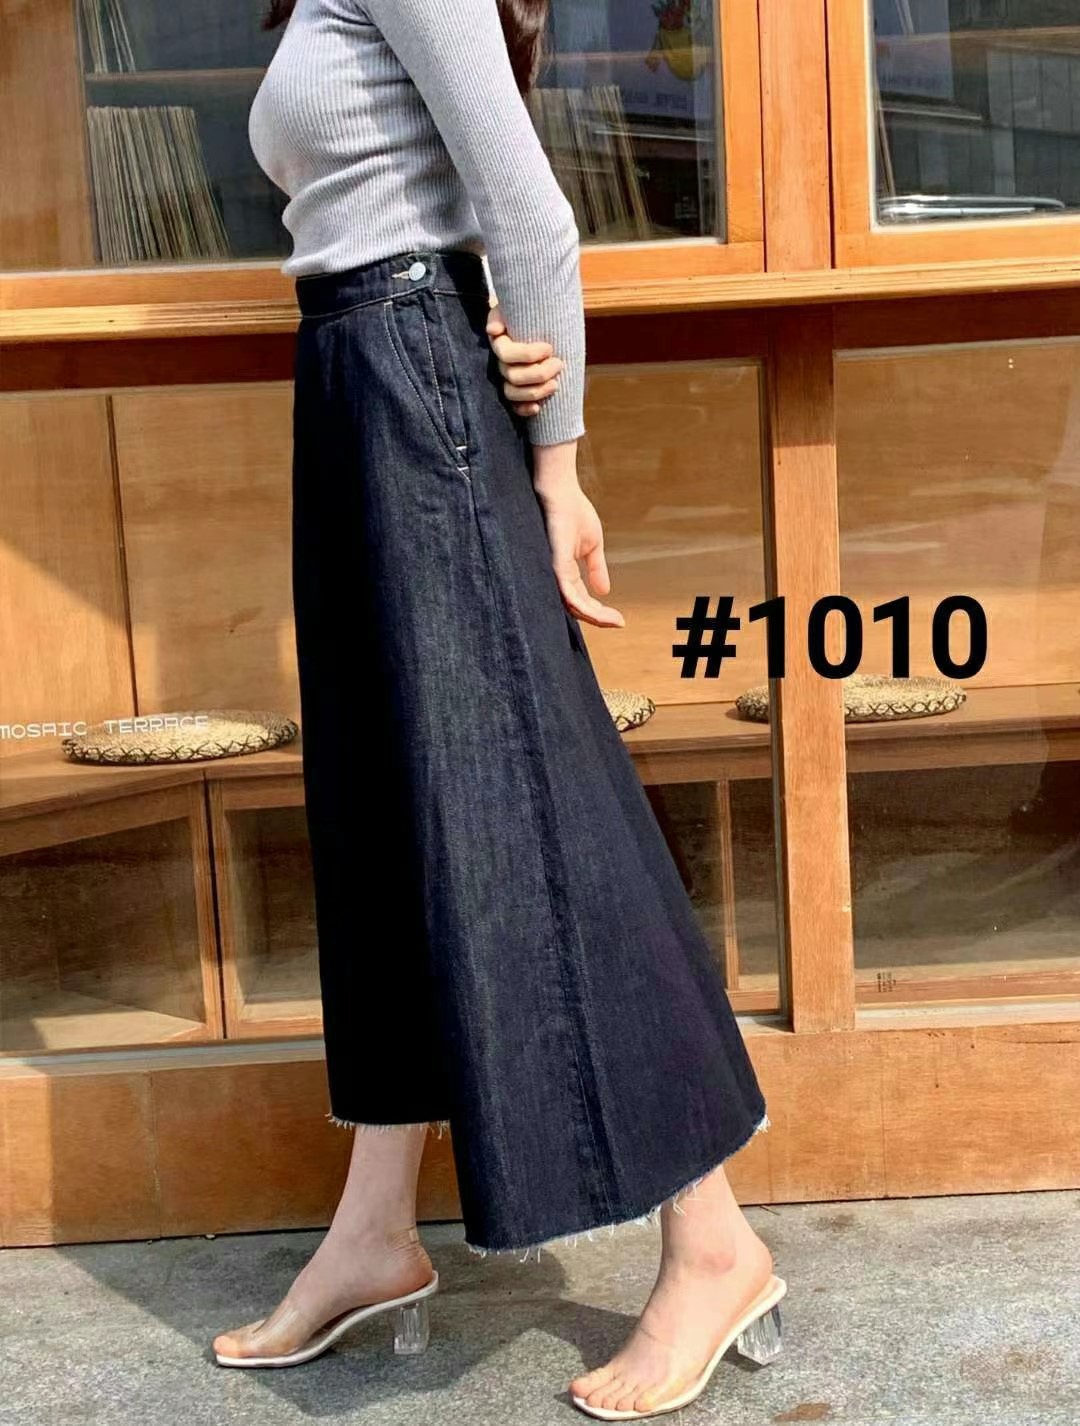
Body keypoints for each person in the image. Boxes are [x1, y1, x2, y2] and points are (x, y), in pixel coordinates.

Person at [214, 1, 784, 1417]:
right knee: (385, 816)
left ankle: (714, 1240)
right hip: (357, 374)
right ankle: (373, 1230)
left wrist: (558, 462)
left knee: (530, 810)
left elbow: (528, 209)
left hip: (414, 381)